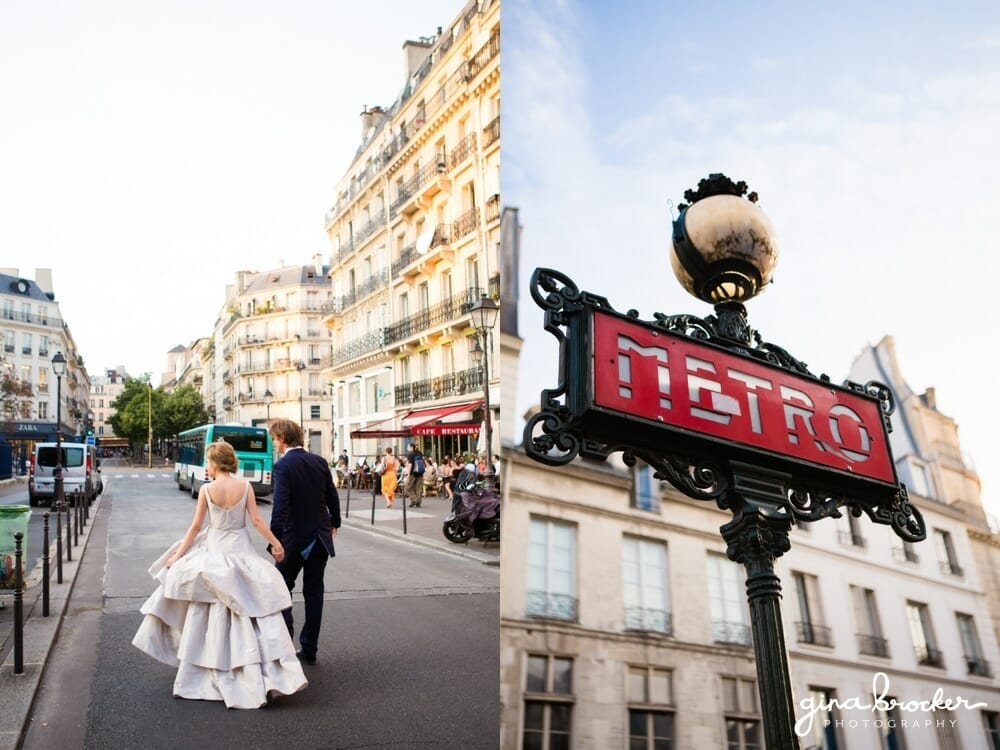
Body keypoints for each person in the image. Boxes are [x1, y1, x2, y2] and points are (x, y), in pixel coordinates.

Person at [132, 440, 307, 709]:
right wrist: (276, 543)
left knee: (209, 610)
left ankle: (208, 668)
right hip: (241, 550)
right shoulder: (245, 486)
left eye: (208, 461)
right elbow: (257, 521)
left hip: (214, 550)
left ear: (214, 463)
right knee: (251, 609)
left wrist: (177, 556)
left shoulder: (207, 489)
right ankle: (258, 672)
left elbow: (195, 526)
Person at [269, 419, 341, 665]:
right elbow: (332, 495)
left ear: (282, 438)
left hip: (294, 538)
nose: (274, 444)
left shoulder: (283, 467)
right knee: (314, 592)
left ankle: (286, 645)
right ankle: (309, 647)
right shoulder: (319, 461)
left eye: (274, 439)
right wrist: (335, 522)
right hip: (320, 537)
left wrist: (274, 540)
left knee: (281, 589)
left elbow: (280, 507)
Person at [404, 442, 425, 507]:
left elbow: (410, 464)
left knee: (408, 487)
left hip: (413, 473)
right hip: (420, 473)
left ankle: (414, 500)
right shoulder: (419, 453)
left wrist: (408, 474)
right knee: (418, 488)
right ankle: (418, 502)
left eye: (408, 447)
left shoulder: (410, 454)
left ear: (411, 447)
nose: (407, 448)